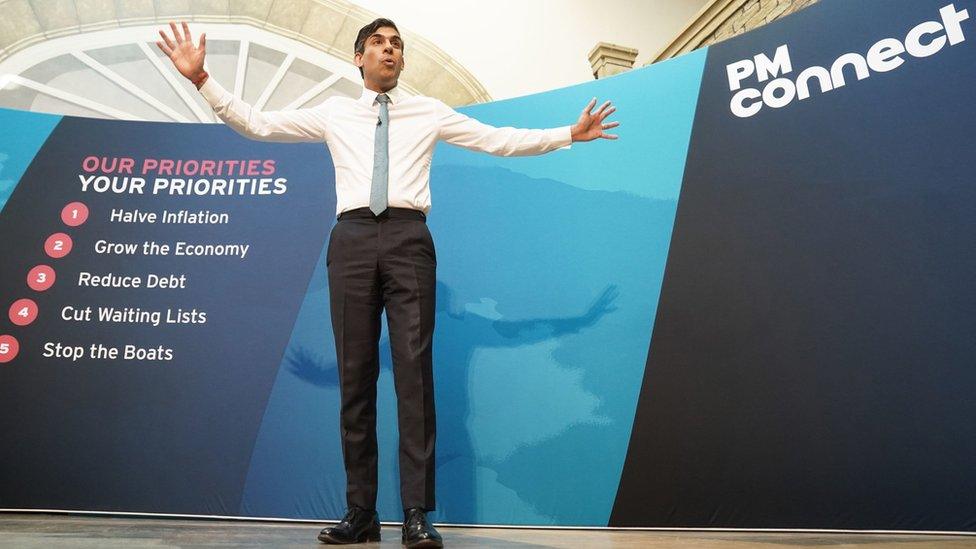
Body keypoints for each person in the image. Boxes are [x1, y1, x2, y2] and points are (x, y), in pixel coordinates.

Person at [157, 18, 618, 548]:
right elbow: (259, 124)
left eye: (397, 44)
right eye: (378, 43)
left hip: (409, 240)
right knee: (355, 380)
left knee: (414, 380)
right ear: (359, 58)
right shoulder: (334, 112)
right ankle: (361, 513)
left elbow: (498, 140)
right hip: (351, 239)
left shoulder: (428, 111)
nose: (390, 50)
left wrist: (568, 135)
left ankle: (418, 514)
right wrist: (201, 80)